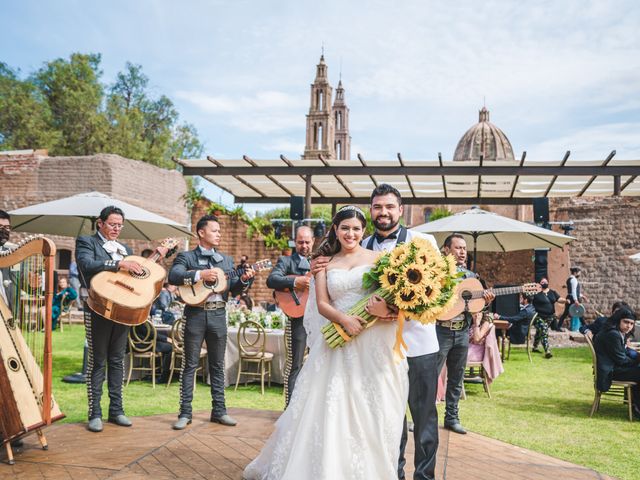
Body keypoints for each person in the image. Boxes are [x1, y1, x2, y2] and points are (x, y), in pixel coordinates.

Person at [244, 205, 406, 479]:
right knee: (332, 407)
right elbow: (321, 303)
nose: (350, 233)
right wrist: (344, 320)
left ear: (363, 231)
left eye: (356, 229)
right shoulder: (324, 262)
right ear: (335, 229)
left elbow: (396, 302)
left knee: (367, 407)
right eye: (345, 228)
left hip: (371, 343)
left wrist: (383, 313)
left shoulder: (382, 261)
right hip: (336, 342)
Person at [169, 214, 255, 430]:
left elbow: (233, 287)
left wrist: (244, 280)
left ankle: (219, 411)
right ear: (201, 232)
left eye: (219, 231)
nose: (219, 234)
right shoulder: (186, 256)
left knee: (217, 365)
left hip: (218, 314)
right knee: (189, 364)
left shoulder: (226, 260)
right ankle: (185, 413)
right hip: (195, 314)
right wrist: (200, 274)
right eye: (215, 230)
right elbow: (175, 276)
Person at [76, 206, 144, 433]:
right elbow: (86, 265)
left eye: (120, 225)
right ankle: (94, 413)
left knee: (117, 360)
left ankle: (116, 411)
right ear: (101, 223)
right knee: (98, 361)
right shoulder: (87, 242)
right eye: (113, 224)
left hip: (122, 310)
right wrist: (117, 264)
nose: (117, 228)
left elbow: (133, 278)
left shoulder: (126, 249)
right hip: (97, 309)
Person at [436, 234, 494, 435]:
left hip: (461, 332)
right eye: (458, 248)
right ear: (446, 250)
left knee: (456, 377)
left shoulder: (472, 277)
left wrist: (485, 301)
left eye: (464, 248)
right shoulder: (435, 272)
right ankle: (423, 418)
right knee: (430, 376)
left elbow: (476, 307)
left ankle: (452, 417)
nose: (462, 252)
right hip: (439, 330)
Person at [266, 225, 313, 405]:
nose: (304, 245)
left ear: (313, 242)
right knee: (295, 363)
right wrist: (296, 282)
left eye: (307, 242)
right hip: (297, 319)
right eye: (300, 242)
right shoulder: (286, 262)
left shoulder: (320, 261)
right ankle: (290, 407)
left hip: (319, 317)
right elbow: (272, 280)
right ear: (295, 242)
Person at [593, 307, 640, 418]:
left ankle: (636, 405)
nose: (629, 326)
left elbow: (623, 354)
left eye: (631, 324)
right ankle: (637, 408)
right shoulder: (613, 334)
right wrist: (638, 359)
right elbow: (621, 360)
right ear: (618, 320)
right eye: (626, 322)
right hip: (610, 371)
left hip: (613, 367)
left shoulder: (616, 332)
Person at [531, 277, 565, 358]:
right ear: (539, 284)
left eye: (545, 282)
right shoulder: (535, 293)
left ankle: (535, 347)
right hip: (538, 317)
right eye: (542, 282)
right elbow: (528, 300)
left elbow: (559, 299)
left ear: (548, 283)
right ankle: (547, 351)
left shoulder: (552, 292)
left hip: (550, 317)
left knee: (540, 331)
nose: (544, 283)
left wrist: (566, 300)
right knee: (544, 329)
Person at [557, 267, 588, 331]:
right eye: (579, 273)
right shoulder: (573, 280)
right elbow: (573, 291)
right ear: (575, 273)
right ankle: (585, 327)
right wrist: (576, 300)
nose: (579, 274)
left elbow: (573, 291)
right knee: (579, 313)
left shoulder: (570, 279)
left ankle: (558, 326)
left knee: (566, 313)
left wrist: (582, 296)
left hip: (570, 297)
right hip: (572, 299)